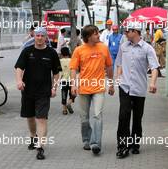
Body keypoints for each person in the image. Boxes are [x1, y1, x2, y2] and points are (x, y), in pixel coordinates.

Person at [15, 27, 62, 160]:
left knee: (41, 118)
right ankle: (32, 136)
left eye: (42, 35)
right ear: (34, 36)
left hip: (44, 91)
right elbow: (19, 68)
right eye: (37, 35)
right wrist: (19, 81)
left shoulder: (51, 53)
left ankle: (40, 147)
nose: (39, 38)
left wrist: (54, 88)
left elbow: (57, 73)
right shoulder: (27, 51)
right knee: (30, 117)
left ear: (46, 37)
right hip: (28, 90)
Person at [115, 23, 159, 159]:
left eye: (127, 31)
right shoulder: (123, 47)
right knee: (123, 116)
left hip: (139, 88)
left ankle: (135, 144)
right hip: (125, 87)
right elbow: (119, 64)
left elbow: (154, 67)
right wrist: (118, 78)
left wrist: (152, 83)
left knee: (137, 118)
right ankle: (123, 146)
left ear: (135, 32)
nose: (125, 34)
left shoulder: (147, 48)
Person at [70, 25, 115, 155]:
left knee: (97, 115)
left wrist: (111, 84)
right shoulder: (79, 50)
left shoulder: (103, 48)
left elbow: (109, 67)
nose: (98, 36)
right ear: (88, 36)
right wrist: (73, 85)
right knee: (84, 118)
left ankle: (95, 143)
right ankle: (86, 140)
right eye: (96, 34)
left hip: (99, 87)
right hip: (83, 88)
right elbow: (73, 69)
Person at [60, 47, 75, 115]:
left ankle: (64, 110)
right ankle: (69, 103)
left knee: (64, 95)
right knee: (73, 94)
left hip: (63, 81)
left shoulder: (60, 61)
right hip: (71, 80)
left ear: (61, 54)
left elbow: (59, 72)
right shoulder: (72, 60)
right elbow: (74, 71)